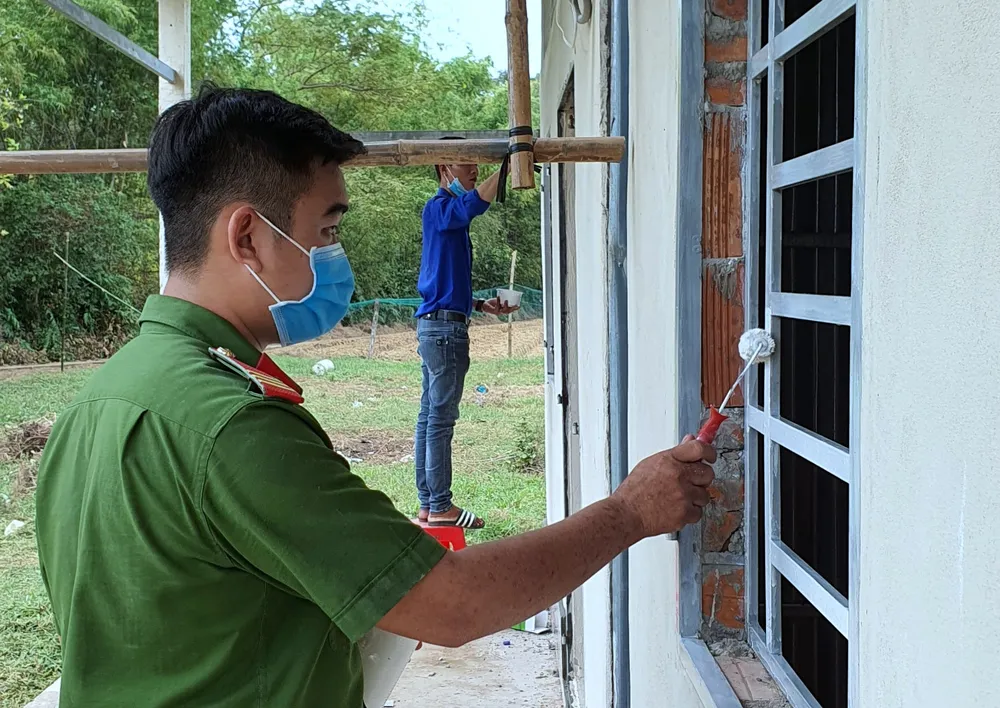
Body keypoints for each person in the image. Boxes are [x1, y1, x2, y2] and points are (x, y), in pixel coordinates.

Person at [35, 85, 716, 708]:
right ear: (246, 237)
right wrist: (630, 511)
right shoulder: (232, 425)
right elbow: (450, 607)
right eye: (326, 232)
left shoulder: (102, 399)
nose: (335, 258)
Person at [414, 141, 516, 529]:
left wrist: (479, 304)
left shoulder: (445, 220)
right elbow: (470, 205)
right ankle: (440, 506)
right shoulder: (441, 209)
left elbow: (444, 280)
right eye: (465, 162)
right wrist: (506, 169)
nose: (472, 169)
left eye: (476, 163)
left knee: (429, 417)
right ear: (444, 168)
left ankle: (428, 504)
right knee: (440, 419)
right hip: (444, 333)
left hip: (437, 324)